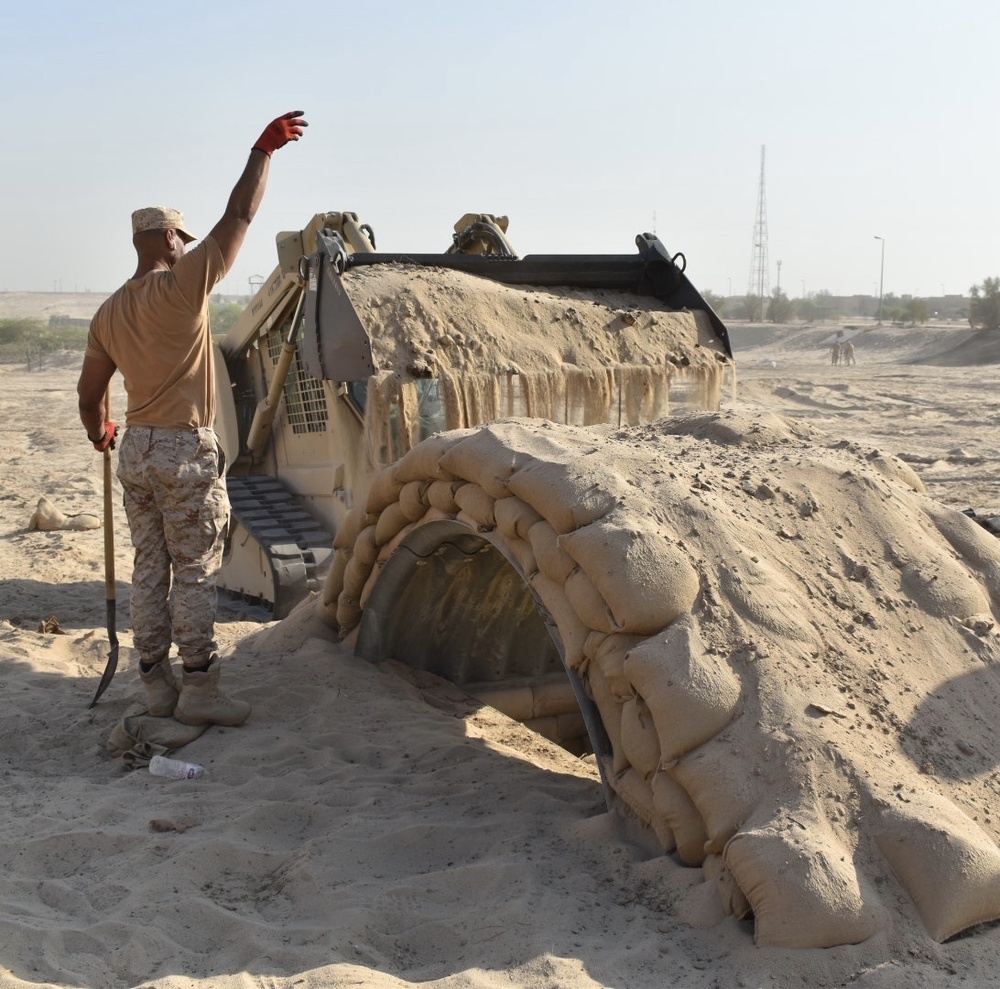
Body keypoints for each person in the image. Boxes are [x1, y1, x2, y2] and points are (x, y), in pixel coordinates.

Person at [77, 111, 308, 726]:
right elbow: (239, 217)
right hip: (184, 452)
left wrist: (101, 431)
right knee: (196, 572)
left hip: (136, 456)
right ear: (173, 240)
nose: (183, 244)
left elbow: (90, 395)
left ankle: (156, 687)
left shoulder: (106, 313)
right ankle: (201, 690)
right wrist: (263, 152)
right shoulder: (183, 286)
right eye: (180, 237)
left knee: (149, 570)